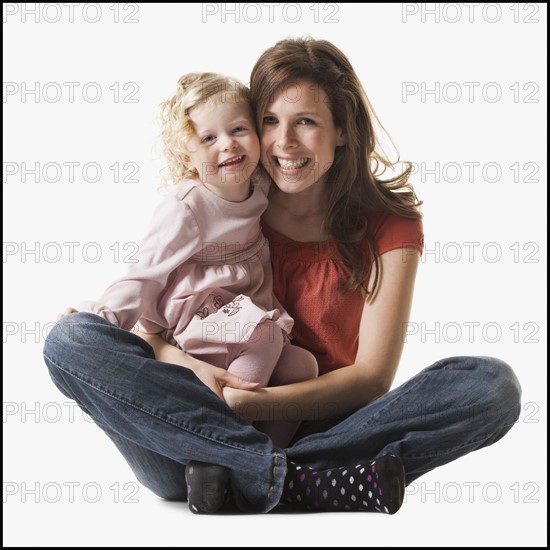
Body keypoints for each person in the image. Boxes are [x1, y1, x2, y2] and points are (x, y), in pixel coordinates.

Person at [43, 38, 521, 516]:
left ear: (341, 130)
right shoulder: (232, 203)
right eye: (270, 121)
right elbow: (153, 332)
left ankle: (257, 477)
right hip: (194, 428)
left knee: (490, 385)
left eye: (306, 122)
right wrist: (201, 378)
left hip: (321, 429)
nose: (284, 142)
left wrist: (253, 407)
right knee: (70, 340)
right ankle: (302, 481)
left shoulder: (388, 222)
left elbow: (372, 378)